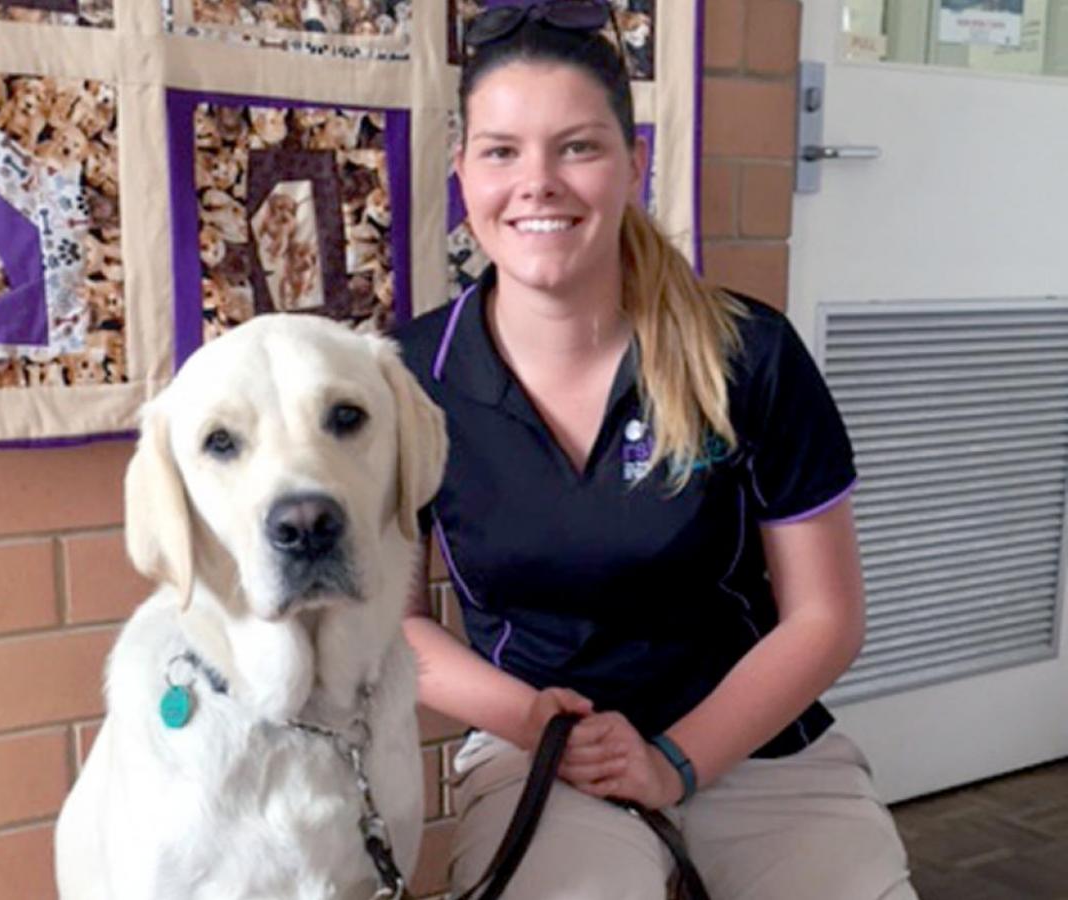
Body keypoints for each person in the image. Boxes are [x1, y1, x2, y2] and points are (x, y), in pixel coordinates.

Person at [394, 2, 919, 897]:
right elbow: (391, 625)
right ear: (463, 172)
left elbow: (826, 617)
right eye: (502, 151)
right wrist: (537, 721)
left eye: (577, 147)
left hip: (754, 741)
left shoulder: (748, 353)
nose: (537, 183)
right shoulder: (406, 379)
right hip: (544, 747)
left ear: (634, 163)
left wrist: (676, 761)